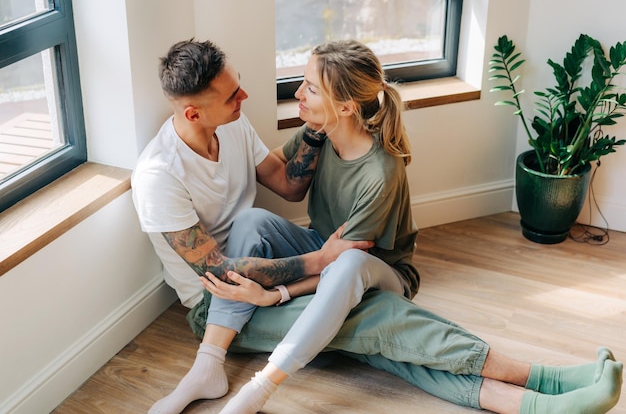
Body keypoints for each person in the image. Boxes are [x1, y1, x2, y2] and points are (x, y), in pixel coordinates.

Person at [131, 38, 623, 414]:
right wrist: (307, 270)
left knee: (271, 233)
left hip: (311, 276)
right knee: (375, 329)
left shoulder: (240, 125)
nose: (246, 95)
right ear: (194, 111)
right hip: (220, 301)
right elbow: (220, 274)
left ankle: (546, 395)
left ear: (343, 107)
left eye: (310, 89)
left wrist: (283, 290)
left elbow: (286, 183)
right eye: (232, 92)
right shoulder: (159, 175)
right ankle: (546, 390)